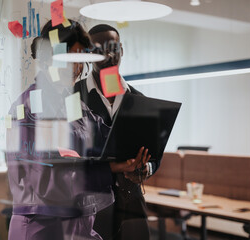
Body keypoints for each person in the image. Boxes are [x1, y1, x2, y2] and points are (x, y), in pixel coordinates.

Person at [5, 20, 149, 240]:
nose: (77, 68)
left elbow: (103, 135)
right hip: (41, 228)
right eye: (70, 59)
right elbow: (47, 177)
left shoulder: (72, 103)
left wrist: (133, 154)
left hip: (76, 226)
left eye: (80, 60)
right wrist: (111, 167)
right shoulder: (29, 107)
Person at [75, 24, 161, 240]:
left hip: (131, 201)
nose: (109, 55)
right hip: (92, 203)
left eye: (114, 48)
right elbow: (70, 153)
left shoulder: (139, 99)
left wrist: (145, 168)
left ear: (121, 50)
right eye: (99, 50)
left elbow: (154, 154)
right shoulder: (73, 97)